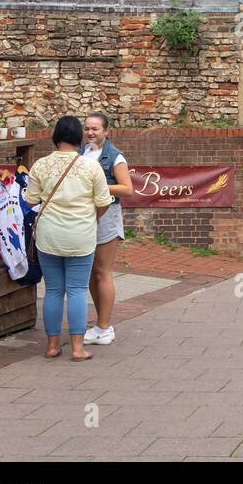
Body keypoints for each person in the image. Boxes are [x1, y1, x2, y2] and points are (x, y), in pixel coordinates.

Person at [23, 115, 112, 361]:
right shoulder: (91, 166)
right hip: (81, 235)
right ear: (79, 137)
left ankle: (52, 346)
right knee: (77, 290)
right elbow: (104, 202)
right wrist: (91, 217)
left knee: (52, 290)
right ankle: (77, 348)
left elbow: (30, 200)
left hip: (48, 235)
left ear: (55, 136)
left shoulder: (40, 165)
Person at [80, 112, 133, 347]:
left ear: (106, 131)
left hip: (107, 216)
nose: (90, 133)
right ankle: (101, 325)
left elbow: (126, 188)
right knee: (91, 272)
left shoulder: (114, 156)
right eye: (87, 128)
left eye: (95, 129)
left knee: (103, 271)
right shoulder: (83, 153)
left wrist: (99, 187)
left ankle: (104, 326)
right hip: (87, 215)